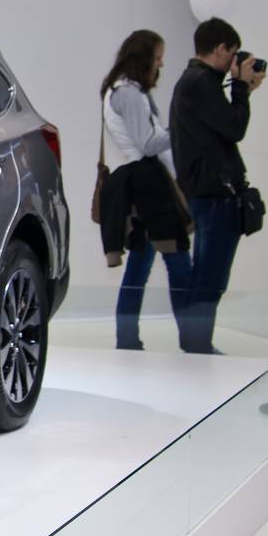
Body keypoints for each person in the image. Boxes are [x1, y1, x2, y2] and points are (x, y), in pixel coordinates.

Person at [169, 17, 265, 354]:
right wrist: (241, 90)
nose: (235, 62)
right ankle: (197, 347)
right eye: (234, 53)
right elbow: (234, 127)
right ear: (220, 48)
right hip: (214, 196)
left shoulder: (194, 81)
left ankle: (195, 344)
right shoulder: (199, 82)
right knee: (210, 278)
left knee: (207, 276)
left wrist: (240, 89)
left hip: (208, 193)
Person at [99, 30, 193, 350]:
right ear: (144, 59)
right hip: (149, 190)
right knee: (179, 264)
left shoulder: (123, 90)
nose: (161, 64)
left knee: (141, 267)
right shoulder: (128, 93)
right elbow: (147, 143)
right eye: (157, 58)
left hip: (142, 188)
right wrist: (181, 129)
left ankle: (127, 340)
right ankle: (192, 340)